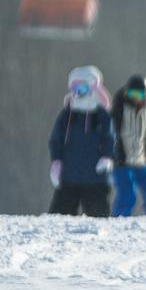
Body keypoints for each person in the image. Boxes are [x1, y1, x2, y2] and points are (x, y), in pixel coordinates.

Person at [48, 66, 115, 216]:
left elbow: (110, 137)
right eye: (76, 89)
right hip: (69, 177)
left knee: (98, 218)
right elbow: (56, 139)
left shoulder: (101, 115)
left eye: (83, 89)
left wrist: (107, 157)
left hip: (95, 178)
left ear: (93, 89)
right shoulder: (67, 114)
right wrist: (56, 161)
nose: (79, 93)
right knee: (59, 218)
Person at [110, 75, 146, 217]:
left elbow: (144, 137)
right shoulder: (119, 109)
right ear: (126, 93)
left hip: (140, 159)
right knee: (128, 194)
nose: (136, 98)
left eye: (139, 95)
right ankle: (120, 220)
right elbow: (111, 134)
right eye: (132, 94)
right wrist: (115, 155)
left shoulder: (144, 111)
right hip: (122, 161)